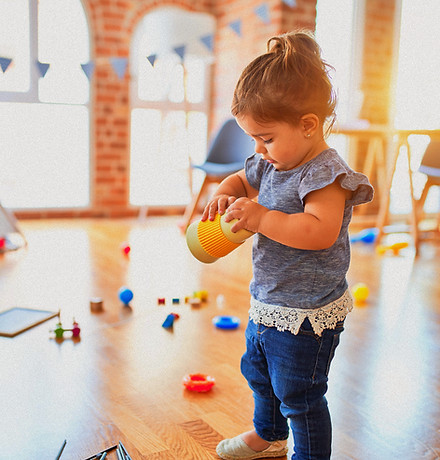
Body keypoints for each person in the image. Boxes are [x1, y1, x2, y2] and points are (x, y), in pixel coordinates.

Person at [202, 31, 374, 460]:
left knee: (300, 394)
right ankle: (269, 435)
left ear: (308, 124)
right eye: (254, 140)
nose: (259, 150)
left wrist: (262, 217)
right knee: (259, 373)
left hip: (309, 313)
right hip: (271, 299)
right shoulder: (274, 159)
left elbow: (319, 231)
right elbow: (243, 178)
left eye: (266, 137)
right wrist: (226, 188)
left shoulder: (325, 174)